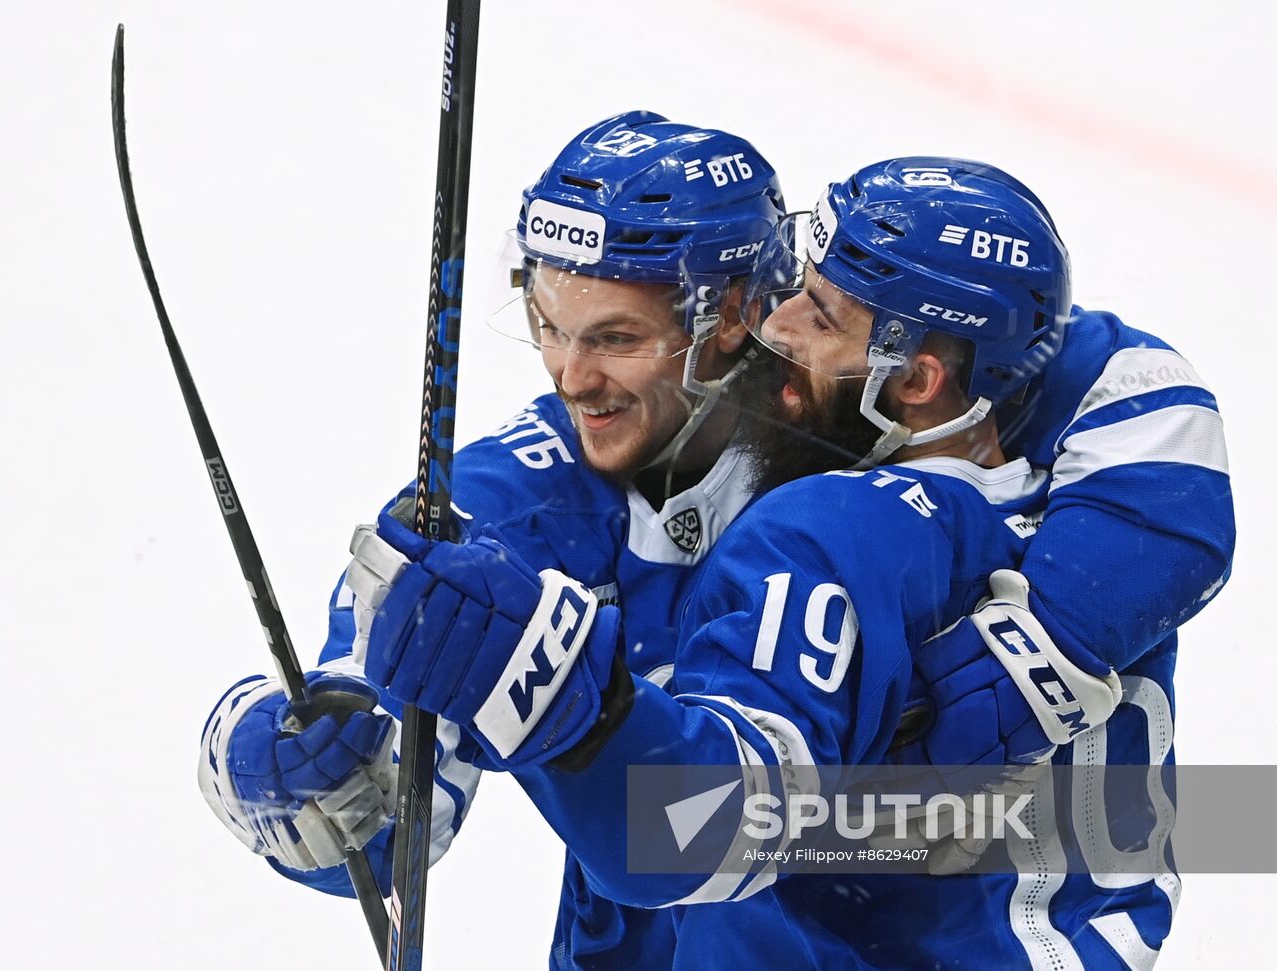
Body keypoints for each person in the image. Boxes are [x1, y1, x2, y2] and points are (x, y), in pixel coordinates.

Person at [197, 113, 1233, 966]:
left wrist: (1041, 644)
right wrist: (308, 764)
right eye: (548, 325)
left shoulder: (891, 491)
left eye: (614, 337)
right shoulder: (542, 487)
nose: (567, 377)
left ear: (728, 315)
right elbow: (373, 797)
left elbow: (694, 826)